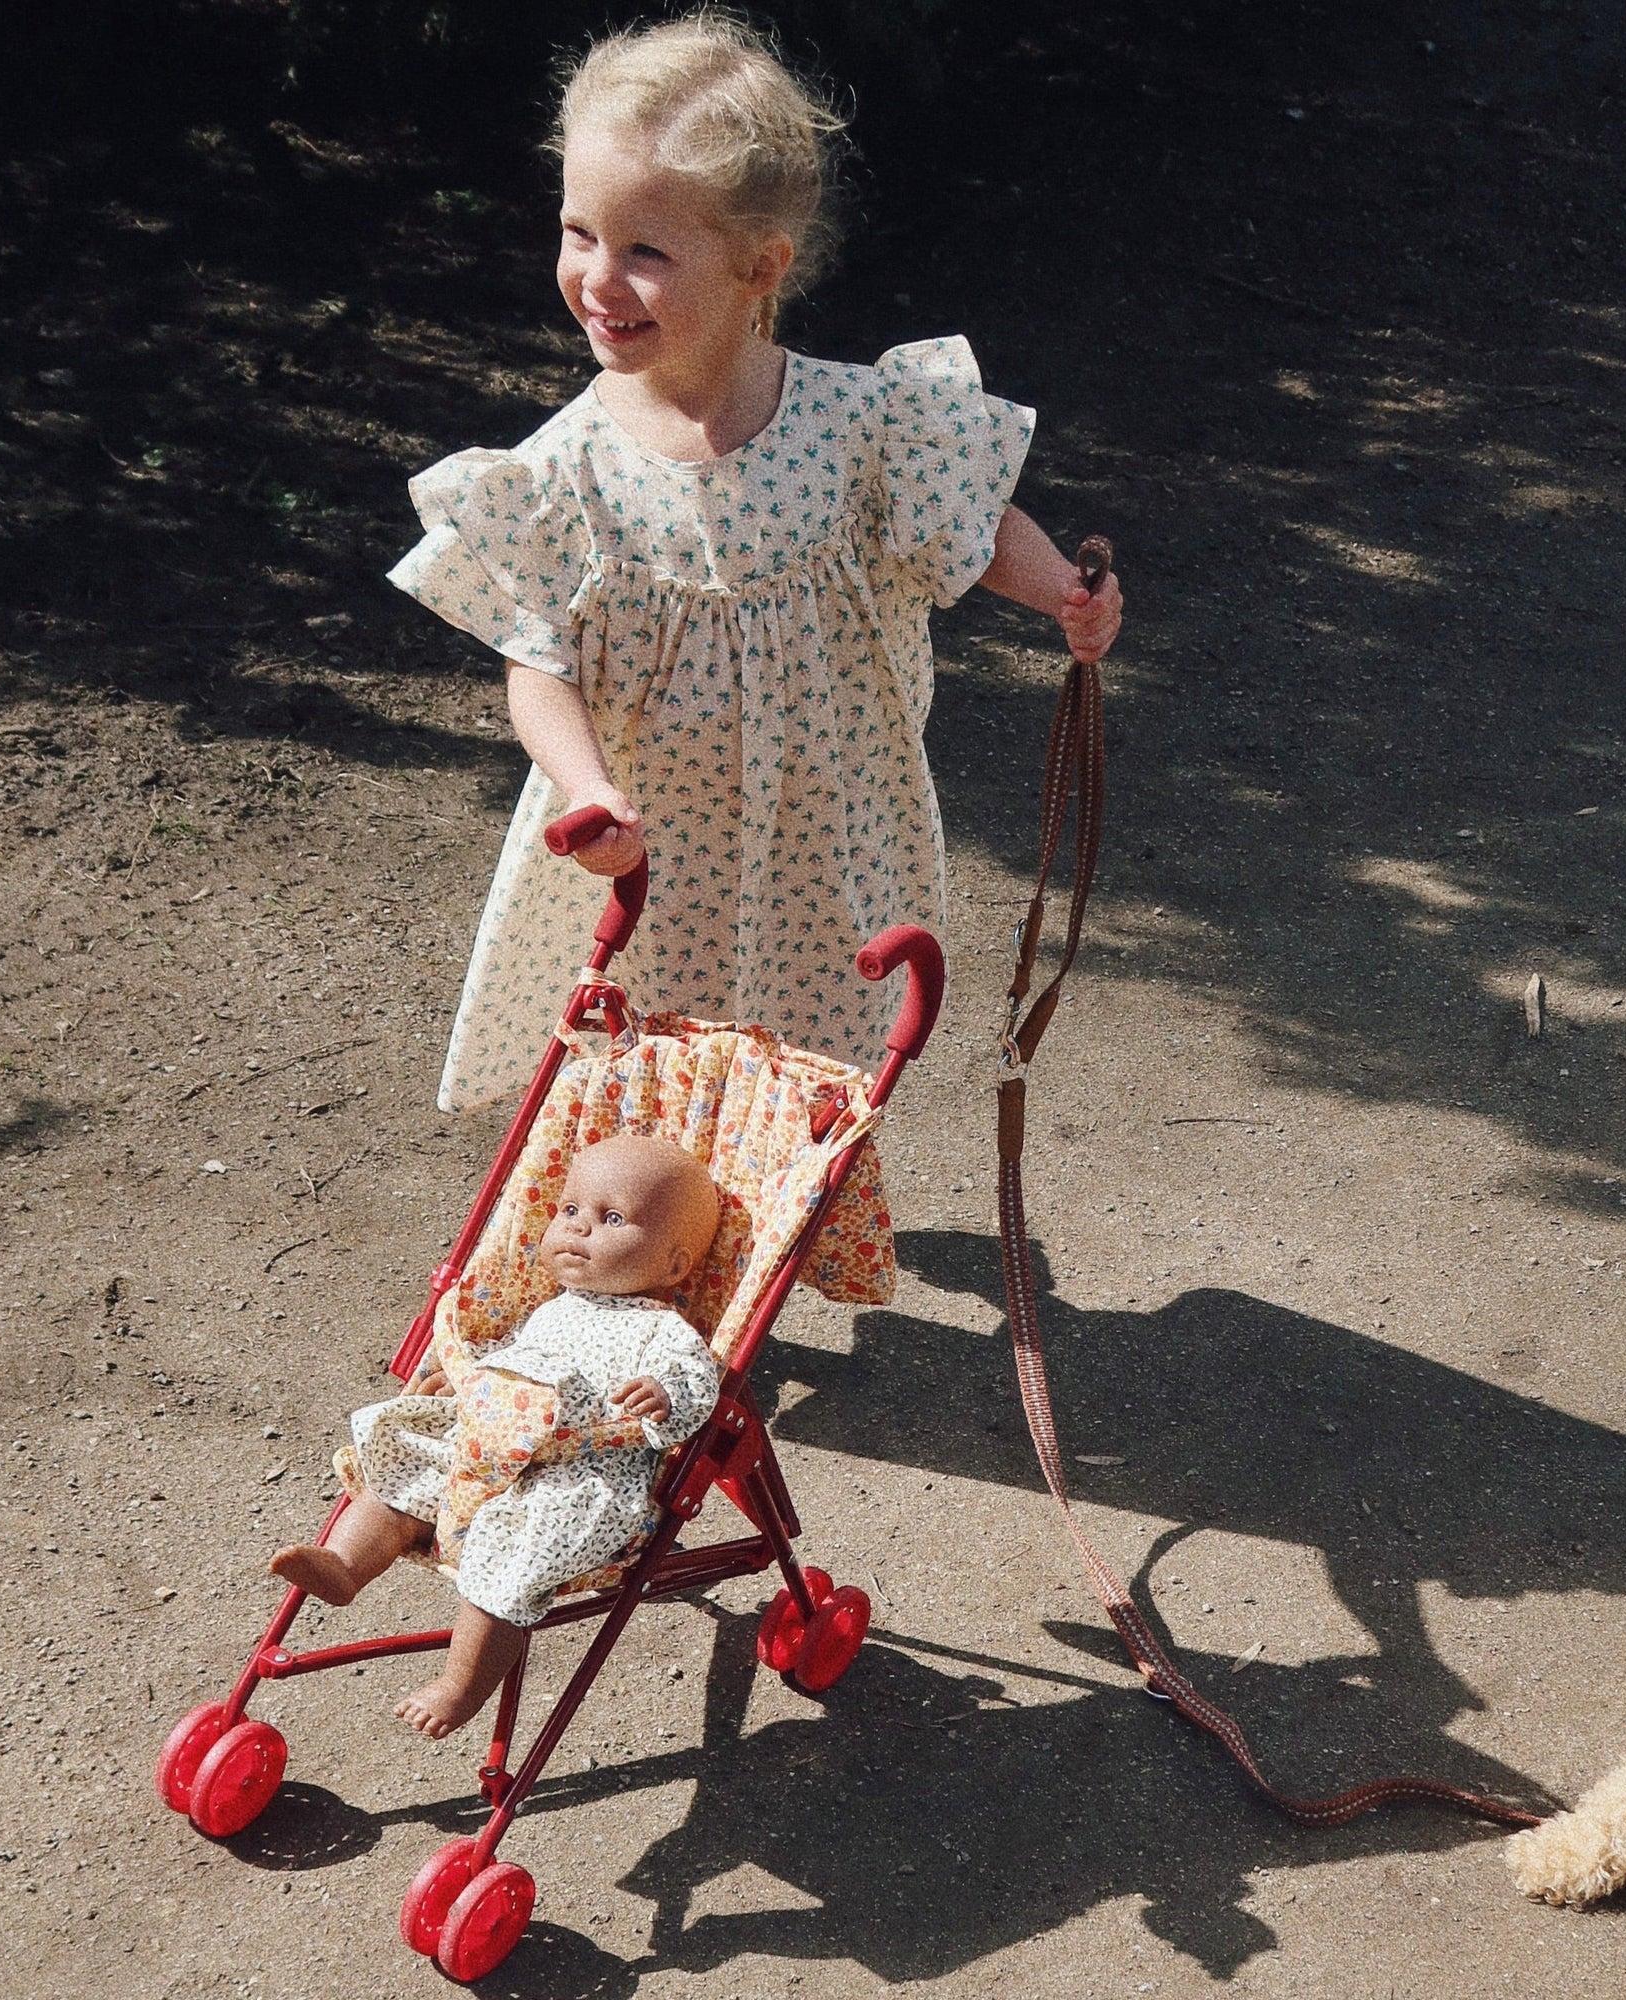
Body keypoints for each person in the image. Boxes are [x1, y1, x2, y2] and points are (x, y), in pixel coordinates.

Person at [387, 11, 1124, 1113]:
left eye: (644, 251)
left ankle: (777, 1221)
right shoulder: (562, 471)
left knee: (811, 1061)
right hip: (649, 855)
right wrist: (587, 789)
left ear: (757, 266)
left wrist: (1059, 588)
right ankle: (646, 1257)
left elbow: (969, 522)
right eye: (578, 232)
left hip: (828, 831)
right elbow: (534, 658)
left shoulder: (857, 422)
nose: (597, 277)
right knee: (644, 1079)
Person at [270, 1135, 722, 1737]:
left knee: (517, 1551)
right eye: (569, 1210)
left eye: (610, 1218)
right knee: (411, 1458)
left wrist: (664, 1397)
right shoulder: (553, 1307)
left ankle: (461, 1686)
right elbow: (515, 1362)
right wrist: (463, 1384)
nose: (578, 1228)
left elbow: (696, 1385)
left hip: (575, 1473)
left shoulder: (661, 1330)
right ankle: (346, 1565)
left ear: (672, 1263)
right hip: (488, 1445)